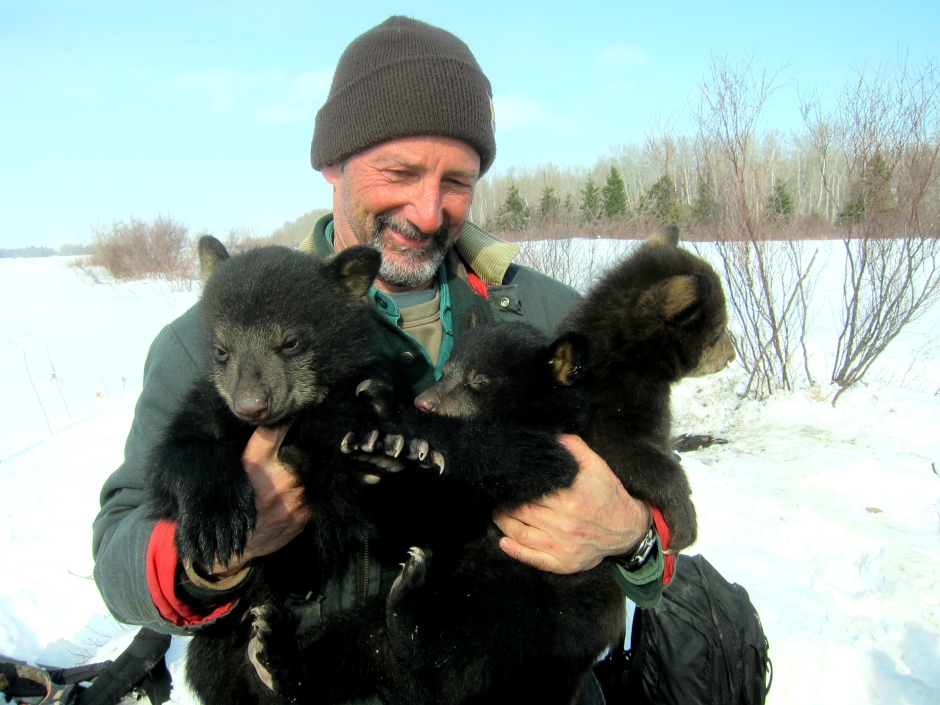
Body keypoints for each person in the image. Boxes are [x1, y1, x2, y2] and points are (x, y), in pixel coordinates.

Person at [92, 16, 670, 704]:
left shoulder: (553, 322)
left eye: (457, 180)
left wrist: (632, 535)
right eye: (399, 172)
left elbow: (656, 514)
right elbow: (120, 549)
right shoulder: (218, 334)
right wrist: (209, 561)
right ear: (331, 164)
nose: (428, 210)